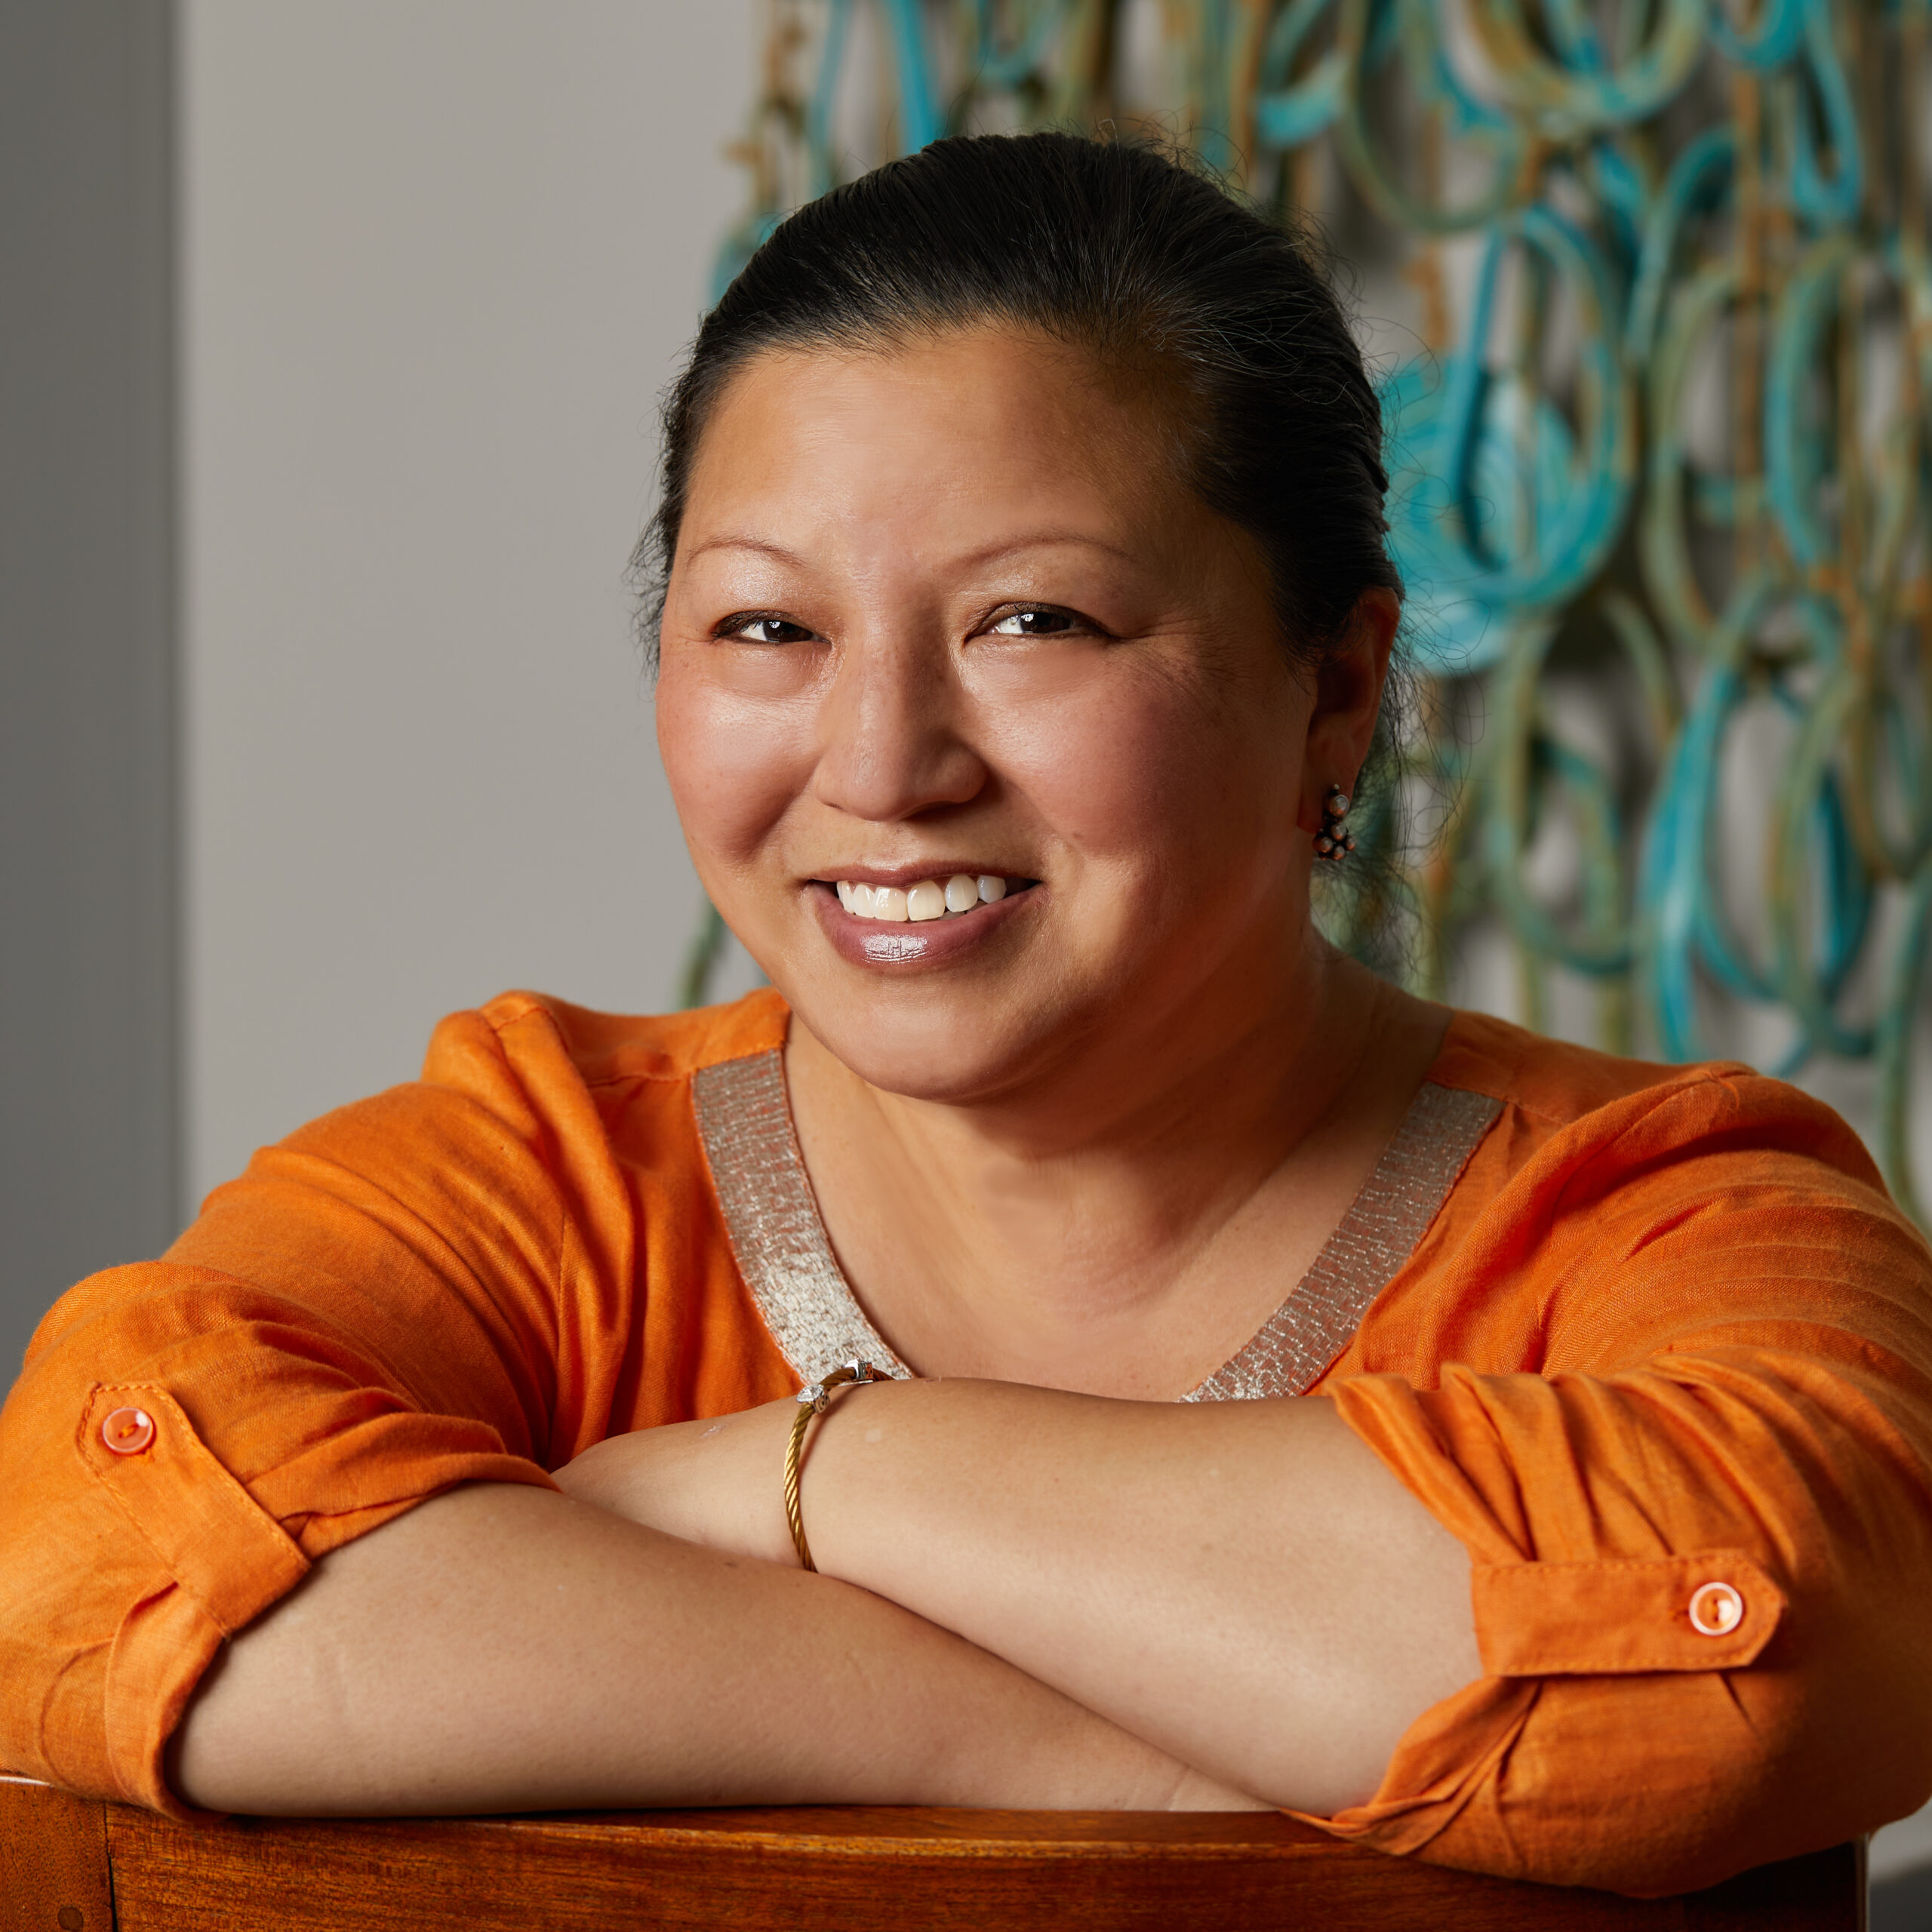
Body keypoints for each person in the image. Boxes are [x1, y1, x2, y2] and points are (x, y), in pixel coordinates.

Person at [4, 131, 1930, 1900]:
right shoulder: (542, 1175)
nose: (880, 762)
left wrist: (811, 1471)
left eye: (1034, 621)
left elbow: (1759, 1632)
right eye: (768, 627)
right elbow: (84, 1548)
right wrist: (1101, 1750)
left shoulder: (1656, 1214)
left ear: (1335, 688)